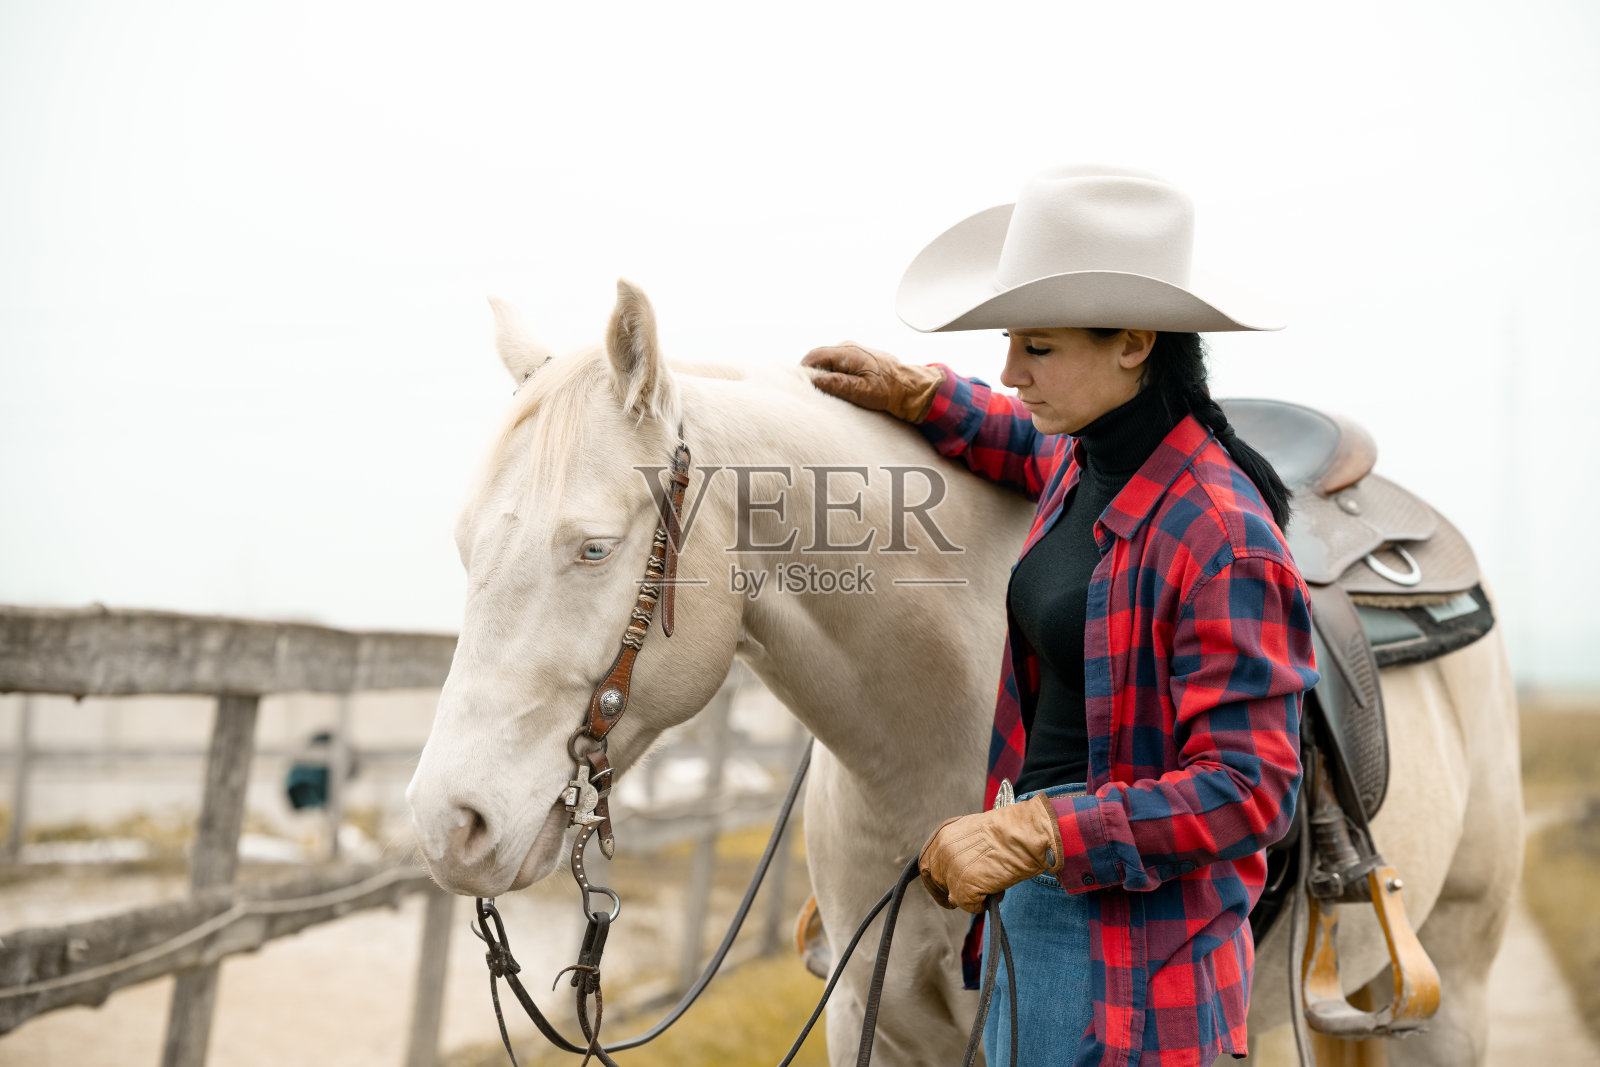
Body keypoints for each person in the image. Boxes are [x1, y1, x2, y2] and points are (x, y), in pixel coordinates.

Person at [802, 165, 1318, 1066]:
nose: (1012, 371)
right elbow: (1023, 442)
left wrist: (1035, 829)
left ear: (1133, 342)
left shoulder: (1224, 537)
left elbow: (1250, 790)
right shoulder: (1086, 462)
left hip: (1137, 965)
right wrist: (927, 397)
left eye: (1037, 348)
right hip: (1043, 905)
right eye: (1010, 343)